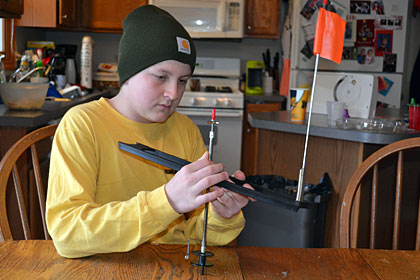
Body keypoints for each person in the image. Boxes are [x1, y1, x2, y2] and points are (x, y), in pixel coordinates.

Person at [46, 5, 253, 258]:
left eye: (182, 80)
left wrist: (222, 214)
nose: (174, 93)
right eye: (160, 77)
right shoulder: (83, 125)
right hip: (101, 268)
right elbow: (68, 233)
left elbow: (194, 233)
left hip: (171, 265)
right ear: (129, 72)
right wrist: (167, 202)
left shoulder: (185, 130)